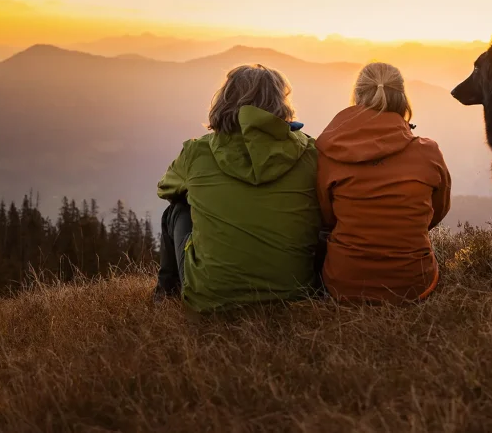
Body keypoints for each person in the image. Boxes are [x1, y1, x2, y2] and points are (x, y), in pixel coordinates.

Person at [153, 64, 322, 312]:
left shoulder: (197, 152)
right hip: (294, 295)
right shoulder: (309, 152)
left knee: (177, 210)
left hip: (211, 301)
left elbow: (165, 189)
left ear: (224, 101)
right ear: (280, 105)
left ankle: (164, 297)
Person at [316, 62, 452, 302]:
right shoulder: (428, 153)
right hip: (413, 282)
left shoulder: (330, 153)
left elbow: (327, 217)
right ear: (402, 99)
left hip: (344, 283)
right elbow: (438, 210)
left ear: (357, 95)